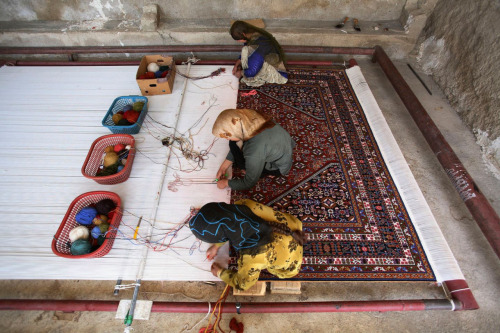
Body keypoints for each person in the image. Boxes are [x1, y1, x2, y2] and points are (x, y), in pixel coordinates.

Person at [188, 199, 303, 291]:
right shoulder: (243, 204)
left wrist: (220, 273)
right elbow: (229, 224)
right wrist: (217, 245)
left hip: (292, 262)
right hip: (295, 228)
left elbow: (243, 284)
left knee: (277, 268)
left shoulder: (252, 255)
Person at [212, 108, 295, 191]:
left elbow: (248, 183)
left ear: (237, 132)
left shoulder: (254, 150)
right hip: (283, 150)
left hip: (278, 167)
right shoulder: (254, 118)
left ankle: (269, 172)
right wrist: (223, 167)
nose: (226, 139)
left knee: (234, 148)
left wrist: (226, 183)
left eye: (228, 136)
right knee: (234, 143)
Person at [230, 20, 288, 87]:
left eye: (238, 40)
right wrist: (237, 63)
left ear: (243, 34)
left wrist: (241, 73)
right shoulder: (252, 34)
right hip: (262, 58)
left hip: (278, 73)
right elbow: (247, 48)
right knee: (245, 50)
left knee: (249, 77)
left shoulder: (259, 45)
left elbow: (252, 71)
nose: (238, 41)